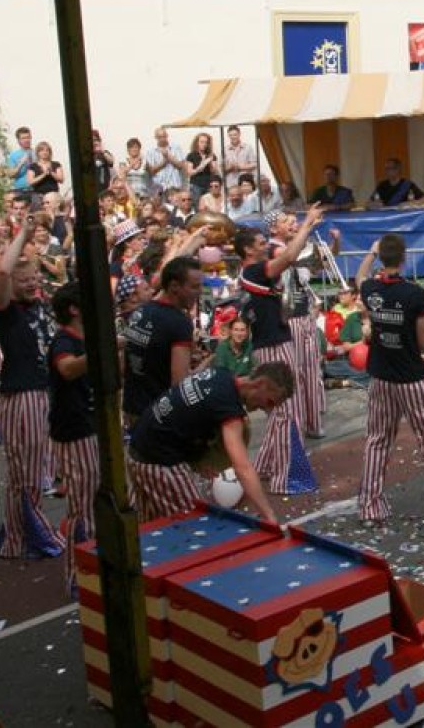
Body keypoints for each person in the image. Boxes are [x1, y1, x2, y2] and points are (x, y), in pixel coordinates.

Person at [357, 232, 424, 533]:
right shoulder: (414, 294)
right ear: (404, 259)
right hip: (412, 377)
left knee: (377, 441)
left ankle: (369, 507)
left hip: (381, 376)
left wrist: (371, 252)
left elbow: (360, 277)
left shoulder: (371, 289)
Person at [0, 215, 64, 561]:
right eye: (25, 280)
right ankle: (32, 535)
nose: (32, 283)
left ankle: (16, 535)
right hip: (21, 397)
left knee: (28, 471)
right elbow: (3, 272)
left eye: (34, 277)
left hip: (39, 392)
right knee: (27, 472)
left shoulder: (39, 305)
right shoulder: (6, 311)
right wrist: (24, 234)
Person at [128, 362, 293, 523]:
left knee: (145, 528)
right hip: (159, 461)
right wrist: (269, 515)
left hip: (139, 446)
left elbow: (186, 415)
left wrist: (196, 459)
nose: (266, 409)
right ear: (260, 383)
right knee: (193, 527)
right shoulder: (228, 406)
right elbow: (243, 468)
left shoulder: (220, 375)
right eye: (270, 402)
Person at [243, 204, 328, 494]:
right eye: (259, 243)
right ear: (248, 250)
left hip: (276, 340)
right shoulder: (255, 270)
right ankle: (285, 477)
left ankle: (266, 466)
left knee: (282, 409)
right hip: (272, 345)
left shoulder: (256, 270)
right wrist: (308, 223)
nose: (265, 245)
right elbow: (290, 256)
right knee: (286, 410)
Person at [47, 283, 98, 595]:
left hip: (89, 426)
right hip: (74, 430)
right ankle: (78, 576)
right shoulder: (64, 341)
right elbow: (67, 369)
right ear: (75, 309)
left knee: (92, 501)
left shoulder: (82, 338)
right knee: (83, 506)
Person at [119, 256, 200, 422]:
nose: (199, 292)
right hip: (159, 417)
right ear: (174, 286)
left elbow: (123, 366)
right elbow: (179, 385)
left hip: (133, 410)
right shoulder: (179, 322)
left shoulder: (140, 312)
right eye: (194, 287)